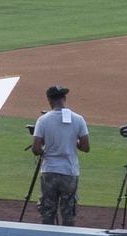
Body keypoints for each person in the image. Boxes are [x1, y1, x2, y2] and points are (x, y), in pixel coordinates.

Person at [29, 84, 90, 226]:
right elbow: (86, 147)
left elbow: (36, 149)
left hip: (49, 170)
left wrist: (46, 149)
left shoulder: (43, 120)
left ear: (49, 101)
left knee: (47, 211)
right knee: (69, 212)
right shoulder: (78, 119)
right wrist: (73, 142)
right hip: (70, 171)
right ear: (64, 98)